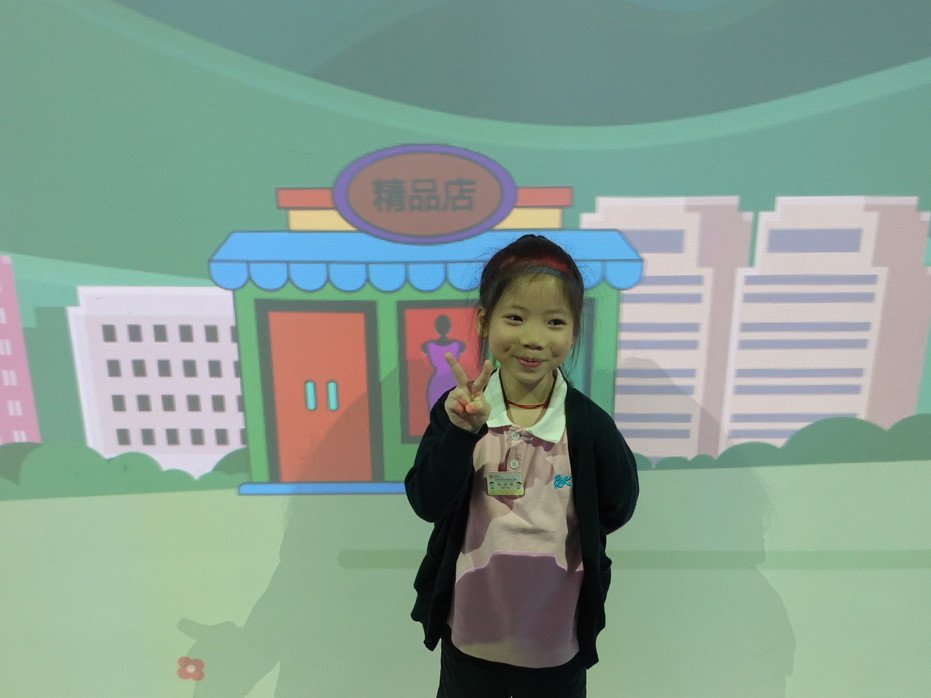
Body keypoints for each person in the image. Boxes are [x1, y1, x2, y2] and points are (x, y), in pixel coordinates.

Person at [405, 234, 639, 697]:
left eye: (555, 322)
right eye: (515, 318)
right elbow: (427, 502)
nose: (534, 339)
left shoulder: (588, 425)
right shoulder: (460, 411)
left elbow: (617, 507)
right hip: (470, 637)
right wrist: (460, 433)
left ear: (575, 331)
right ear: (484, 320)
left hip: (556, 643)